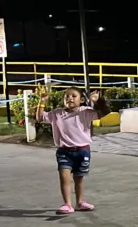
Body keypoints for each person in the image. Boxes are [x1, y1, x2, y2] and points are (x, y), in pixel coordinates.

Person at [37, 87, 111, 215]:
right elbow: (40, 118)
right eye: (67, 96)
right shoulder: (57, 113)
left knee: (79, 179)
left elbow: (104, 112)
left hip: (83, 151)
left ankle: (80, 202)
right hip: (64, 151)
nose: (69, 98)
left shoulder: (86, 112)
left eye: (73, 96)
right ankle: (67, 204)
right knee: (64, 178)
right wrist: (42, 102)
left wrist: (98, 101)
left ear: (82, 100)